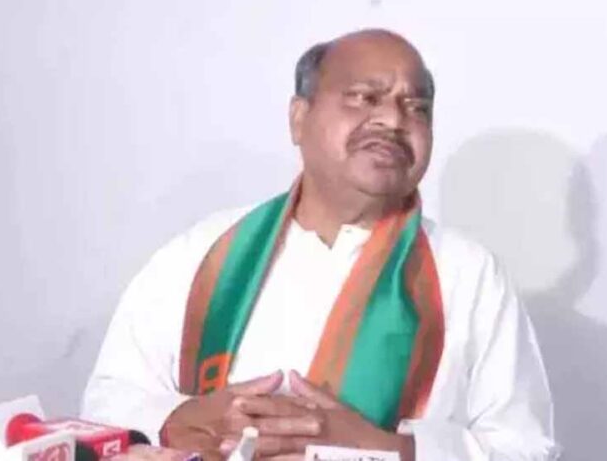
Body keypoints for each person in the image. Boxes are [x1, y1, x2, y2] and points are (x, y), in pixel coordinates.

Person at [82, 29, 558, 461]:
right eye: (364, 97)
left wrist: (387, 450)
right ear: (299, 118)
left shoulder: (469, 275)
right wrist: (187, 420)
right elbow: (107, 402)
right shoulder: (204, 252)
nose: (393, 119)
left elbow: (527, 448)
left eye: (417, 108)